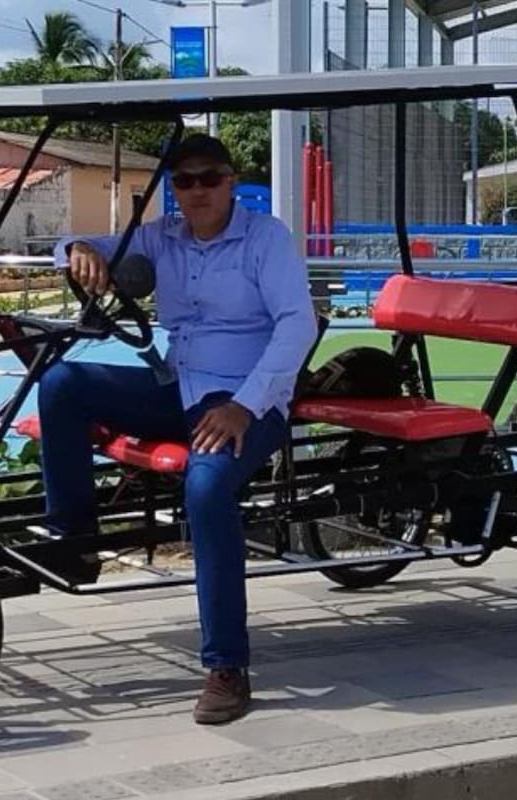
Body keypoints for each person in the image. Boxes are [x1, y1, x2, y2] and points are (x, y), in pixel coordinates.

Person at [40, 134, 318, 724]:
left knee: (207, 487)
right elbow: (81, 245)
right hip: (179, 386)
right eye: (185, 181)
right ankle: (74, 542)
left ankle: (227, 666)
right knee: (62, 383)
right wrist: (78, 249)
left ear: (231, 181)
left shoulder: (265, 238)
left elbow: (298, 325)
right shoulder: (163, 236)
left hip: (245, 397)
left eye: (209, 177)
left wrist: (244, 406)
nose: (197, 190)